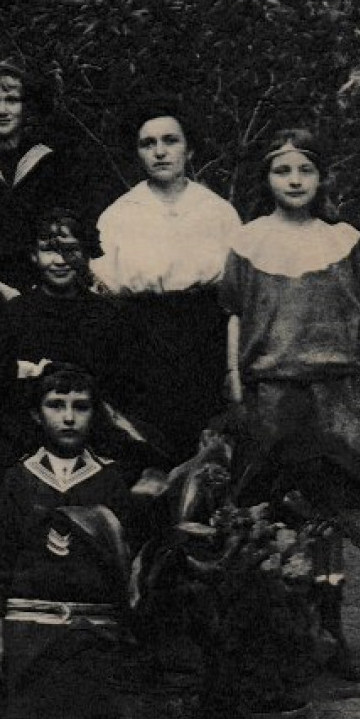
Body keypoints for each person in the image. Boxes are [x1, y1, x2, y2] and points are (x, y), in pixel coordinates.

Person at [221, 129, 360, 680]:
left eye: (304, 171)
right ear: (268, 180)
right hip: (271, 396)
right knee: (264, 514)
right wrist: (235, 389)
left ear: (319, 178)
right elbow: (235, 319)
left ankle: (340, 635)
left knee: (336, 517)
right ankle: (272, 642)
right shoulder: (247, 242)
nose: (294, 181)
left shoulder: (347, 241)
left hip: (335, 399)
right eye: (283, 171)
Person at [0, 364, 134, 719]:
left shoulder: (111, 480)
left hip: (93, 637)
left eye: (80, 406)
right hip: (31, 636)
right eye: (55, 404)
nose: (68, 417)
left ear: (95, 413)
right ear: (36, 413)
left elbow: (125, 570)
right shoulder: (18, 479)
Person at [91, 106, 242, 461]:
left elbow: (238, 289)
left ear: (189, 150)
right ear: (138, 153)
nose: (160, 152)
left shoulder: (218, 212)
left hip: (205, 332)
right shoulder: (119, 215)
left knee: (208, 438)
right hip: (142, 335)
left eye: (170, 141)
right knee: (150, 440)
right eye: (148, 144)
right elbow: (104, 288)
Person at [0, 59, 124, 299]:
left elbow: (69, 225)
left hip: (45, 284)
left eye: (12, 100)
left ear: (25, 107)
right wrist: (1, 289)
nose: (3, 110)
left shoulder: (49, 162)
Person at [0, 207, 164, 471]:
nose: (60, 261)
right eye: (49, 250)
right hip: (28, 439)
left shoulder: (110, 315)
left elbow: (130, 390)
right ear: (33, 255)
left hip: (100, 438)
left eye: (70, 250)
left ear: (86, 254)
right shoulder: (14, 315)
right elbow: (1, 390)